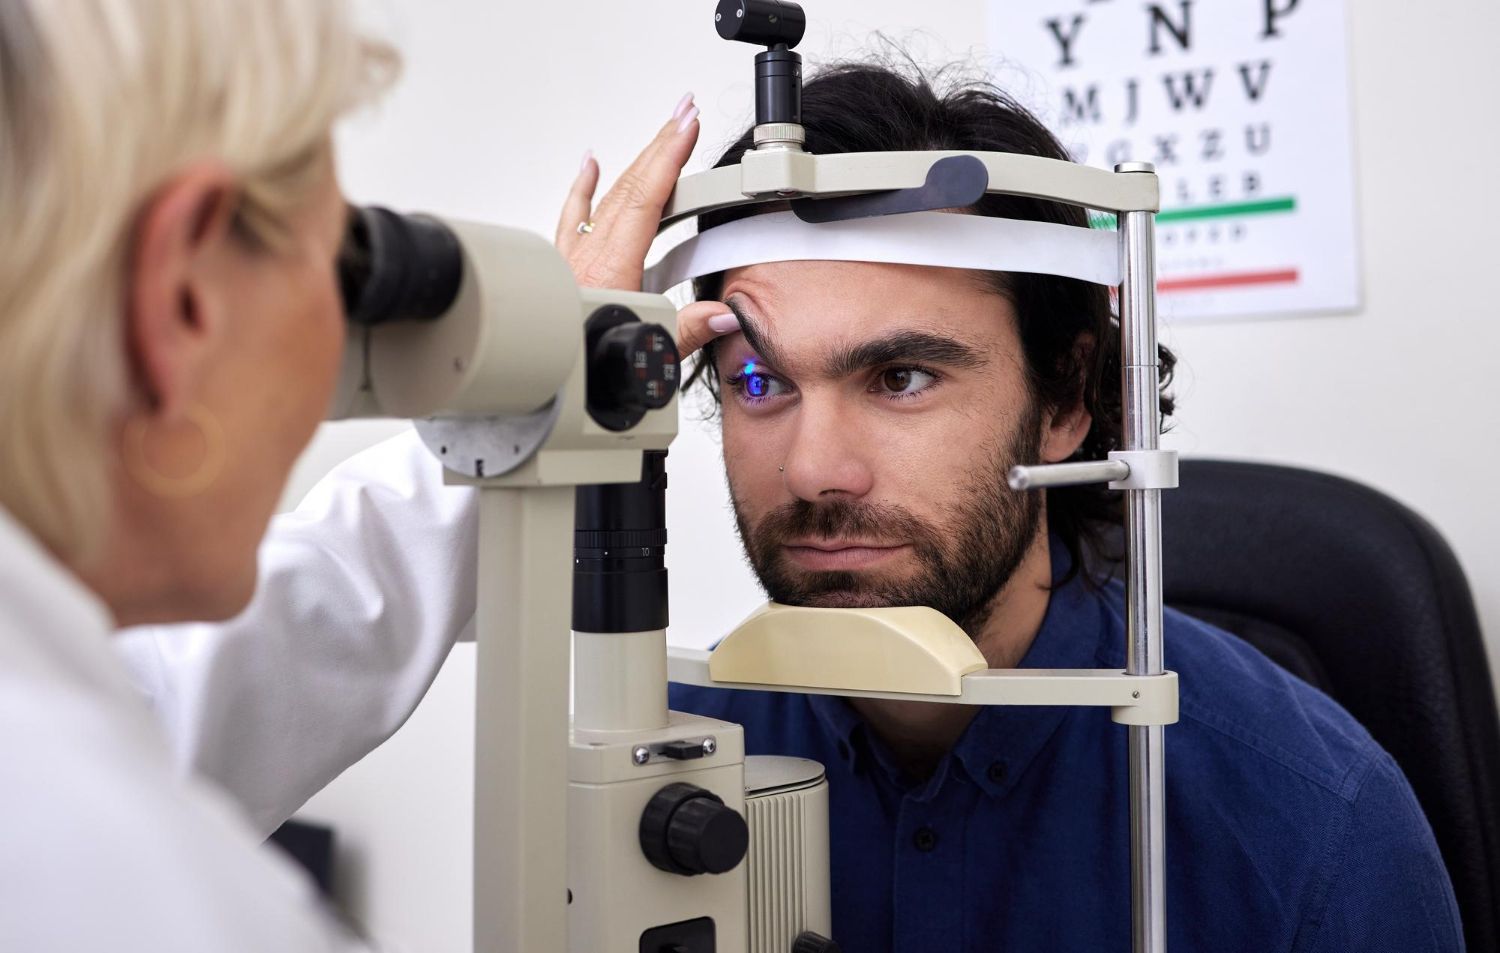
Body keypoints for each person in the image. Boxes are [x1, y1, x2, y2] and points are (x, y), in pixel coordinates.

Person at [115, 59, 1463, 953]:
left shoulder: (1309, 833)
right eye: (758, 379)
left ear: (1069, 404)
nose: (817, 465)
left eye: (903, 376)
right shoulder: (679, 760)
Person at [0, 3, 714, 949]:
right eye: (338, 263)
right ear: (181, 300)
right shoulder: (135, 882)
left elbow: (208, 689)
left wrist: (539, 383)